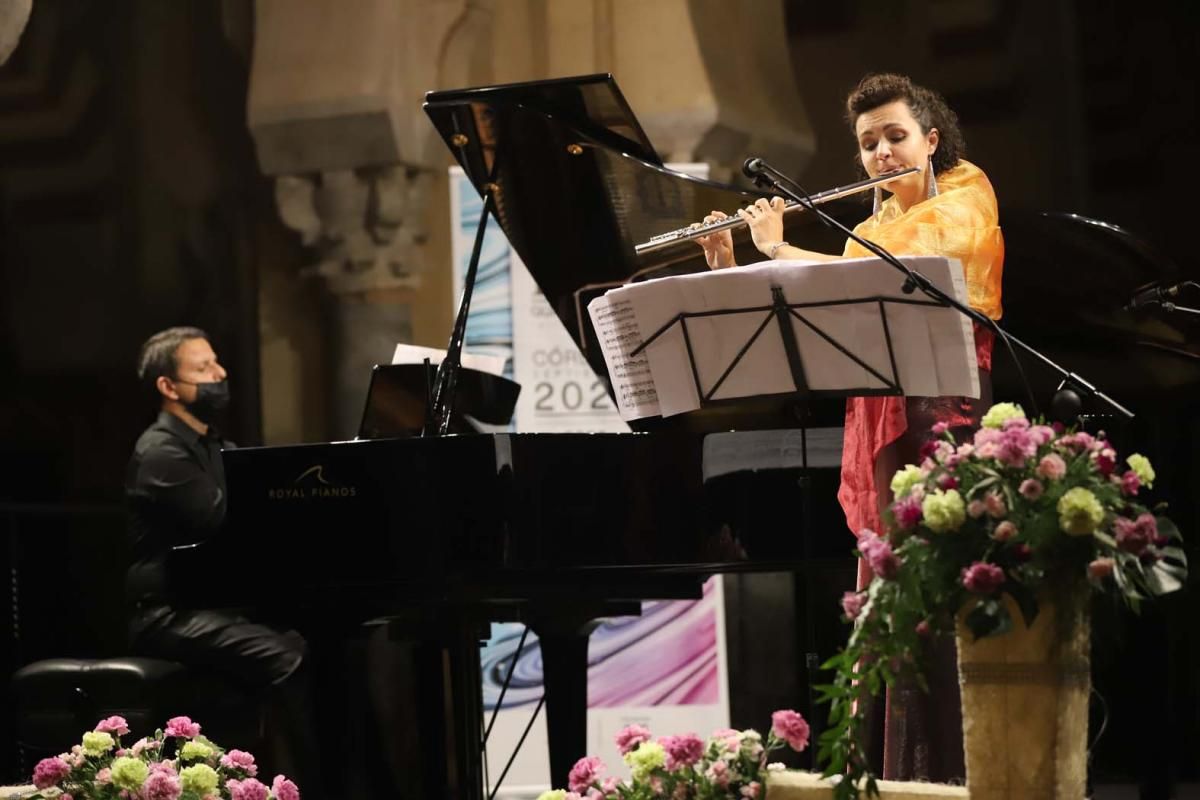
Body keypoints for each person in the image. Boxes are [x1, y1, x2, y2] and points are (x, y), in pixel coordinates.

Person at [695, 73, 1004, 783]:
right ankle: (896, 783)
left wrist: (780, 250)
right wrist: (735, 267)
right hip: (878, 434)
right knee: (891, 618)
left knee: (938, 607)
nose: (883, 153)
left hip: (942, 430)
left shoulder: (965, 195)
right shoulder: (867, 228)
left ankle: (960, 781)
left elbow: (870, 277)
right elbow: (805, 325)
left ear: (931, 139)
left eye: (896, 136)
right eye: (869, 144)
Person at [125, 326, 319, 788]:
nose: (220, 374)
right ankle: (310, 786)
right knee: (291, 655)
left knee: (322, 642)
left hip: (211, 606)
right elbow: (225, 525)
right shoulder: (161, 452)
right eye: (204, 368)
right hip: (167, 613)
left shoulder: (218, 448)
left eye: (217, 362)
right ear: (168, 387)